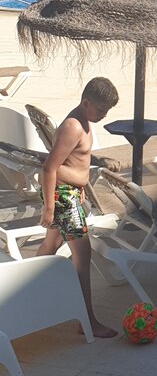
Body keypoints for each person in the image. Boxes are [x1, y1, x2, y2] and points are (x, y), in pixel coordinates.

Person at [36, 77, 120, 338]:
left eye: (107, 111)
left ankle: (28, 292)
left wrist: (88, 172)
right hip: (62, 197)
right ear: (86, 103)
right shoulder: (73, 126)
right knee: (83, 257)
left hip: (69, 194)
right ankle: (87, 322)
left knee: (51, 245)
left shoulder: (84, 121)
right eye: (101, 110)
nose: (104, 116)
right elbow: (49, 168)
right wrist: (49, 208)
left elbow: (74, 160)